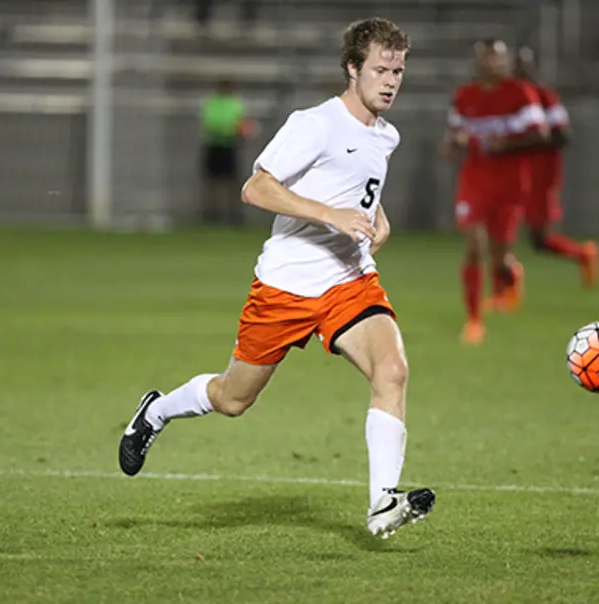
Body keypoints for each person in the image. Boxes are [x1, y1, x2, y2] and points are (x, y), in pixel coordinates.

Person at [119, 17, 435, 539]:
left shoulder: (386, 134)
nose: (391, 80)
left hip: (350, 281)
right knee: (233, 399)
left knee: (393, 372)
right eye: (380, 69)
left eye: (398, 70)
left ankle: (382, 501)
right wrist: (330, 215)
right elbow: (256, 188)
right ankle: (157, 411)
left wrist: (378, 219)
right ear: (353, 69)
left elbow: (360, 187)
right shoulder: (314, 123)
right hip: (286, 285)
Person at [442, 39, 549, 345]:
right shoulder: (465, 95)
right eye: (487, 59)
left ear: (506, 62)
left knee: (499, 257)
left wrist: (505, 144)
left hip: (511, 184)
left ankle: (511, 273)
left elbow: (540, 135)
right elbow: (454, 133)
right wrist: (452, 145)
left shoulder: (520, 94)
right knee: (475, 246)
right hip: (474, 181)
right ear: (477, 62)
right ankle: (474, 320)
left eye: (498, 59)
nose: (493, 64)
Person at [513, 47, 599, 288]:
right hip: (510, 171)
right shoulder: (507, 95)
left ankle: (583, 253)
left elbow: (563, 135)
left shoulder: (544, 96)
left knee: (538, 239)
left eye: (523, 64)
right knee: (496, 231)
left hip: (541, 172)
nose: (518, 70)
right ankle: (506, 287)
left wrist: (529, 139)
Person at [199, 79, 253, 226]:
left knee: (231, 180)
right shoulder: (213, 102)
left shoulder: (235, 103)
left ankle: (233, 213)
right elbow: (210, 122)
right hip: (215, 144)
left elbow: (241, 122)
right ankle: (212, 212)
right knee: (212, 181)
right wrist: (229, 129)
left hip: (230, 145)